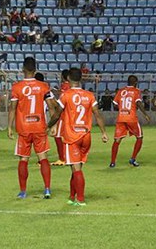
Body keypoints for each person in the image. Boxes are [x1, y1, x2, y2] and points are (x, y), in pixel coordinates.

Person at [47, 67, 108, 206]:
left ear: (68, 78)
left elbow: (57, 114)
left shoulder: (66, 95)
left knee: (76, 169)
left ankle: (80, 199)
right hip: (86, 136)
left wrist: (49, 126)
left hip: (72, 136)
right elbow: (97, 114)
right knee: (76, 168)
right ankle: (72, 196)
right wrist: (103, 132)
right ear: (81, 79)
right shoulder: (89, 95)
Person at [8, 57, 61, 199]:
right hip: (39, 127)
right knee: (43, 157)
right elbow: (51, 106)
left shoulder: (16, 87)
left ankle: (23, 191)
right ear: (35, 69)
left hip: (24, 128)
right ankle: (47, 189)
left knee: (23, 159)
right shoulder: (43, 86)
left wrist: (9, 127)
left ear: (22, 69)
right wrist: (53, 125)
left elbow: (12, 108)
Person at [109, 75, 152, 168]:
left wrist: (122, 109)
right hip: (131, 118)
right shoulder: (136, 91)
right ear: (135, 82)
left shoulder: (121, 91)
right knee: (139, 137)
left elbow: (115, 104)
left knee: (117, 140)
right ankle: (133, 158)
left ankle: (112, 162)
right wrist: (145, 114)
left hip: (121, 118)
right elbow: (139, 103)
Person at [51, 69, 71, 167]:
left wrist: (53, 99)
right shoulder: (71, 86)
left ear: (63, 77)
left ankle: (62, 159)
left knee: (58, 136)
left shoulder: (65, 86)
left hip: (64, 116)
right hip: (71, 115)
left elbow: (62, 102)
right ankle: (70, 157)